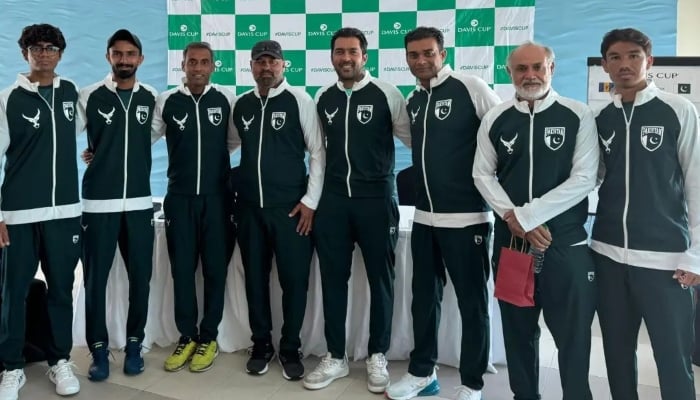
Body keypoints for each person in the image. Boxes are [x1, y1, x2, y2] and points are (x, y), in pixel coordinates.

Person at [473, 41, 599, 400]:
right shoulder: (496, 118)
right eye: (521, 69)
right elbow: (482, 175)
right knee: (518, 334)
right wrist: (515, 220)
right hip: (513, 247)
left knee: (573, 338)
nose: (530, 75)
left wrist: (528, 216)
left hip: (566, 247)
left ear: (551, 68)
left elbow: (585, 178)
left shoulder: (577, 114)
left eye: (537, 67)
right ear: (509, 73)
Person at [385, 26, 500, 400]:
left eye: (428, 53)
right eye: (413, 55)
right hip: (424, 219)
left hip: (467, 219)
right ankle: (423, 374)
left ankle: (471, 384)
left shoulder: (471, 87)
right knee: (423, 300)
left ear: (442, 53)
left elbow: (503, 134)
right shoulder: (414, 99)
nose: (421, 60)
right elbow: (418, 147)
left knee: (472, 304)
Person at [591, 28, 700, 400]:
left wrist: (696, 255)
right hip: (607, 256)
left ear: (649, 62)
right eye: (616, 58)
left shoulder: (678, 110)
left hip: (665, 260)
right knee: (617, 356)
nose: (625, 64)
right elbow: (588, 179)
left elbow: (696, 185)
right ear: (605, 65)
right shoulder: (600, 117)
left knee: (672, 359)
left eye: (634, 56)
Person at [303, 27, 410, 393]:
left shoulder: (387, 94)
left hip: (377, 200)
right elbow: (317, 153)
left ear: (365, 56)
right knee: (333, 279)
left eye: (352, 52)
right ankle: (335, 356)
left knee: (381, 279)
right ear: (331, 57)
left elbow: (412, 139)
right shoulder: (324, 96)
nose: (345, 58)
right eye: (339, 52)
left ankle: (377, 353)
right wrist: (313, 199)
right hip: (333, 202)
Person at [229, 39, 324, 381]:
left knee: (294, 281)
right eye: (259, 62)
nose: (266, 67)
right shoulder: (241, 105)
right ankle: (261, 344)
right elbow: (224, 146)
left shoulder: (300, 101)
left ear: (284, 65)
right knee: (254, 280)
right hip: (250, 211)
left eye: (272, 62)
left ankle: (290, 347)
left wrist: (310, 201)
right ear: (251, 66)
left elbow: (318, 153)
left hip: (291, 211)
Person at [0, 23, 82, 399]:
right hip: (17, 215)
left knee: (61, 291)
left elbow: (95, 131)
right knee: (13, 292)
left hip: (64, 213)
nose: (44, 53)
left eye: (51, 47)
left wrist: (95, 150)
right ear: (25, 53)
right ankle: (11, 367)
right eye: (37, 47)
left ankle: (59, 361)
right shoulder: (7, 99)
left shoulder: (71, 94)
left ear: (61, 53)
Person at [151, 41, 236, 373]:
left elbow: (232, 140)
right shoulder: (167, 101)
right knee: (182, 271)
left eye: (204, 62)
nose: (198, 68)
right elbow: (143, 138)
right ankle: (187, 335)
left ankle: (209, 337)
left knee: (215, 270)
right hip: (180, 199)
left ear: (213, 66)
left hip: (217, 200)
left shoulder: (226, 100)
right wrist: (99, 150)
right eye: (192, 62)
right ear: (182, 66)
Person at [78, 29, 157, 382]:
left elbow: (145, 137)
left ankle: (135, 345)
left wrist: (112, 152)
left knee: (141, 279)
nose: (124, 60)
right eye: (117, 54)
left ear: (140, 59)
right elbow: (63, 136)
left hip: (140, 204)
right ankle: (98, 350)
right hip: (97, 205)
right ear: (108, 57)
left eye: (130, 54)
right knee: (95, 281)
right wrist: (98, 154)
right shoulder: (89, 96)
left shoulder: (152, 97)